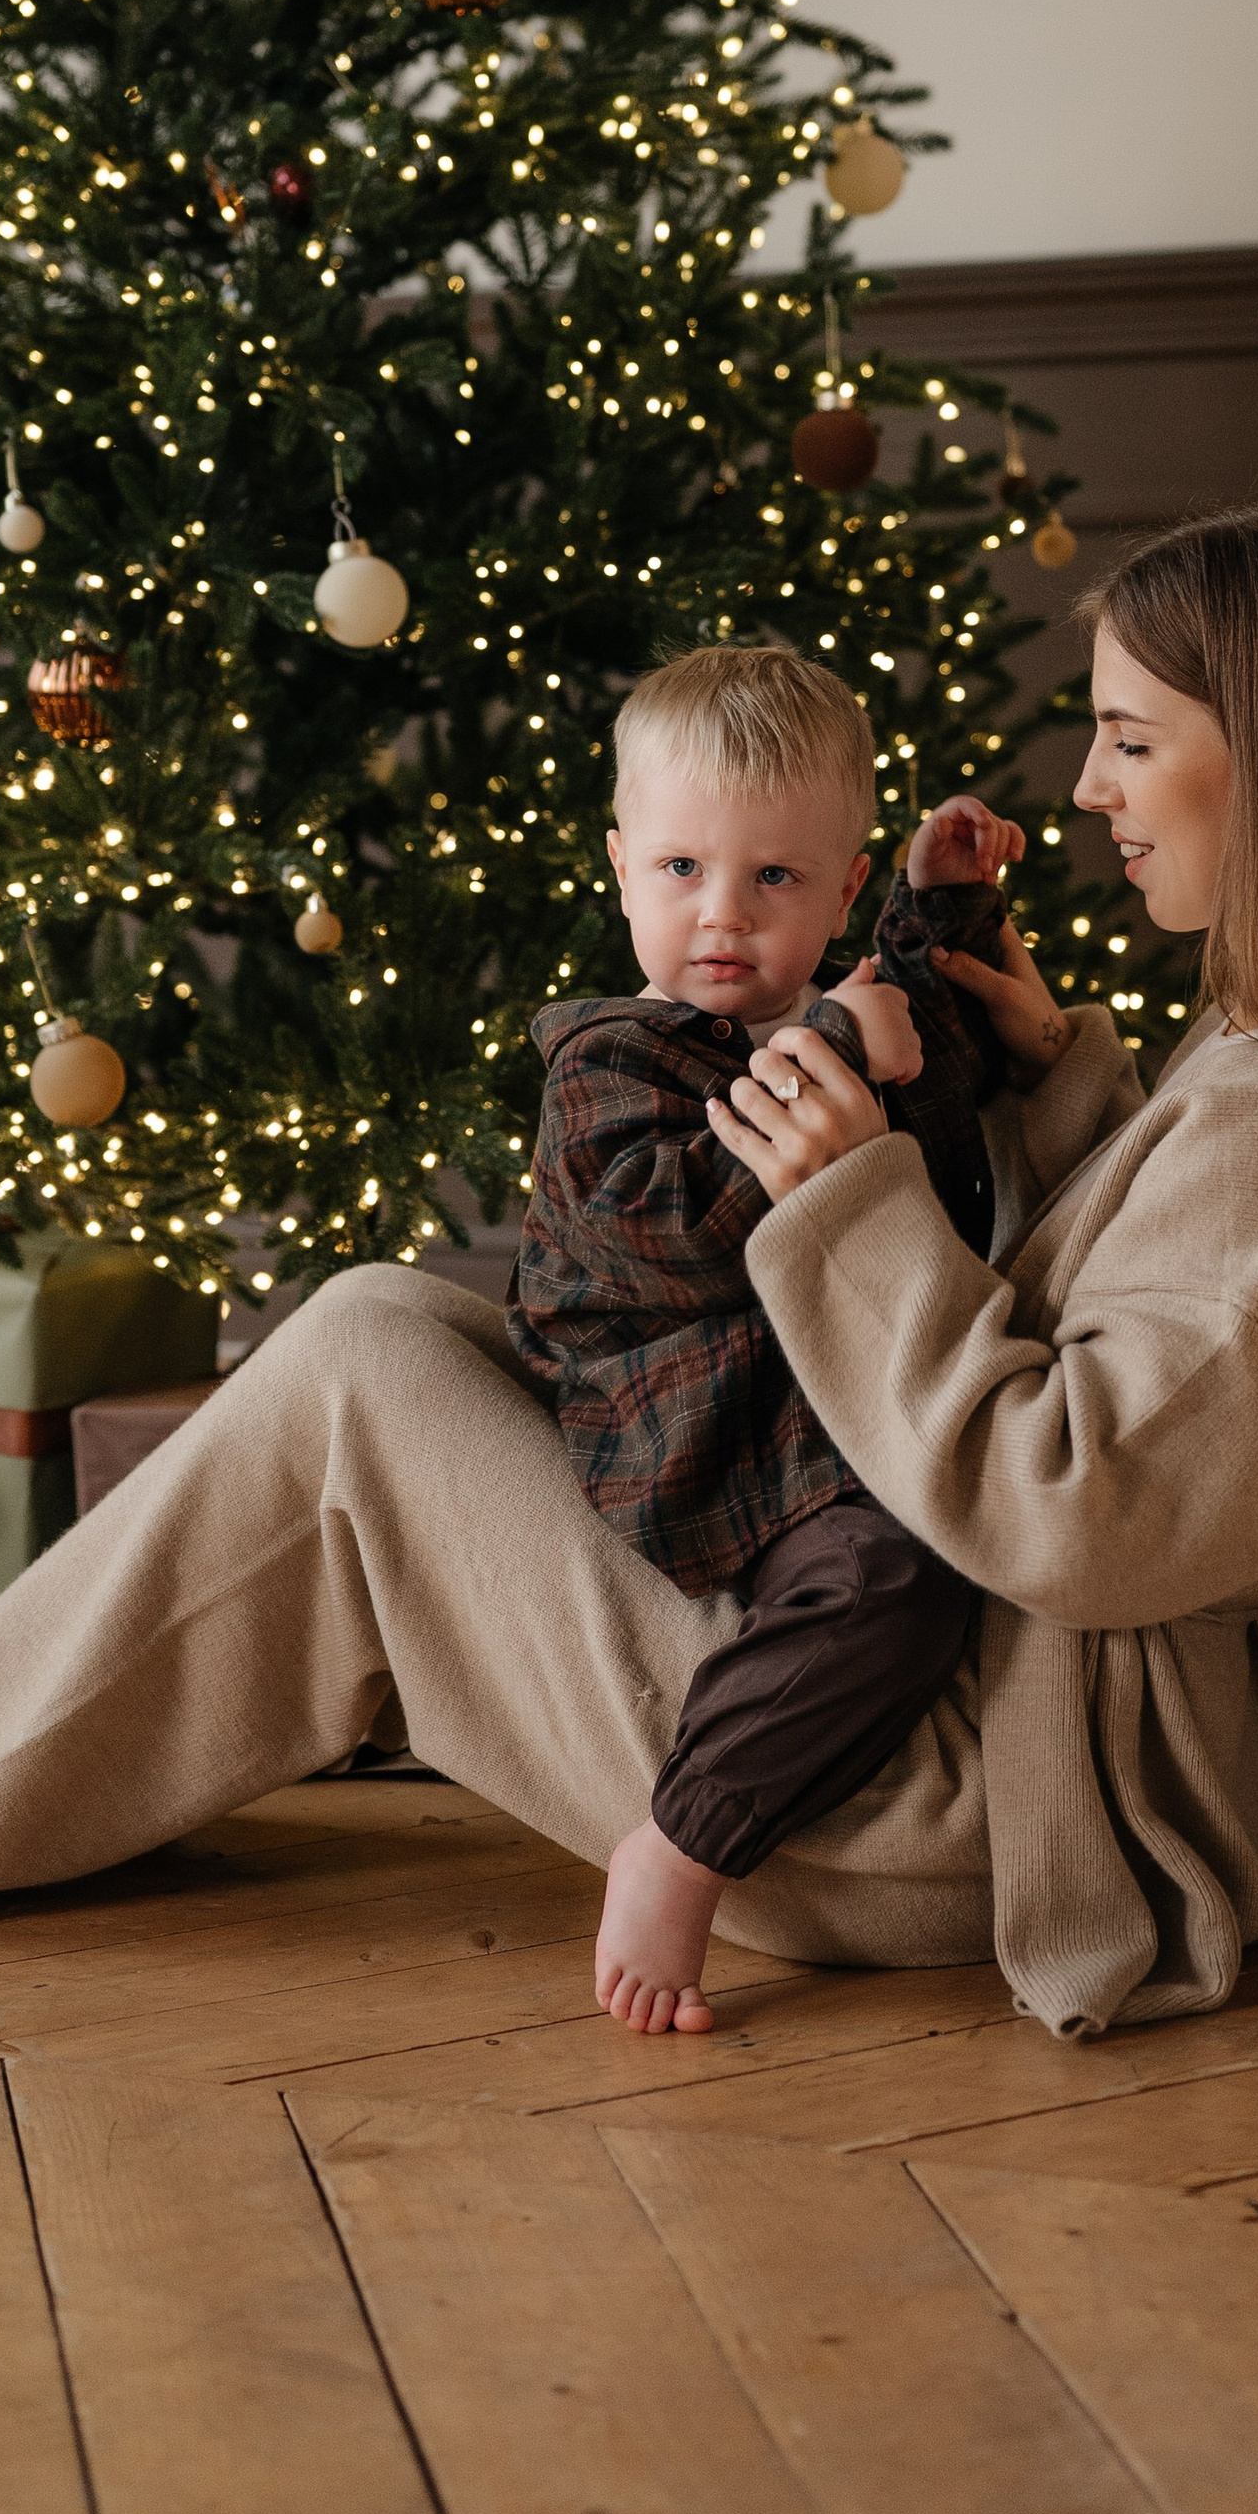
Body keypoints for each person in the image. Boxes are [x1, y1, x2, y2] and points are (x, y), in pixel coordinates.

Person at [0, 499, 1258, 2050]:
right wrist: (1064, 1090)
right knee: (385, 1325)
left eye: (1134, 738)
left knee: (356, 1385)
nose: (1095, 781)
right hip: (957, 1712)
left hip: (955, 1789)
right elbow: (1157, 1328)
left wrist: (853, 1198)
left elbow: (1094, 1509)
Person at [513, 644, 1062, 2032]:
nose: (722, 916)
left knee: (935, 1570)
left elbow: (933, 1010)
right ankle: (685, 1843)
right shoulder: (611, 1064)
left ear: (837, 882)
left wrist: (941, 901)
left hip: (859, 1421)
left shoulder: (865, 1011)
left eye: (775, 879)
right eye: (682, 869)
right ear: (621, 858)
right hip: (708, 1441)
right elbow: (670, 1230)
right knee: (883, 1566)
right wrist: (827, 1040)